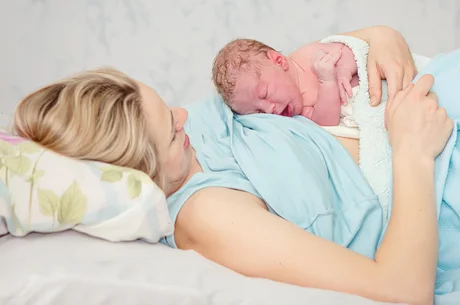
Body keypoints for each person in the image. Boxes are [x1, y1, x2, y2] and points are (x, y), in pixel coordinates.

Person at [13, 26, 438, 304]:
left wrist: (380, 39)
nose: (184, 114)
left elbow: (298, 65)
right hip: (435, 174)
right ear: (141, 173)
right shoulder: (209, 216)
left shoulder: (194, 135)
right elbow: (400, 290)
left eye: (168, 106)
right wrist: (412, 152)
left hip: (420, 101)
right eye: (171, 129)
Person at [211, 38, 360, 126]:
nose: (269, 110)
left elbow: (351, 50)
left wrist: (344, 70)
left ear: (278, 61)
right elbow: (327, 123)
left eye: (264, 94)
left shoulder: (310, 55)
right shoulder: (301, 112)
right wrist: (327, 82)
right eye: (259, 112)